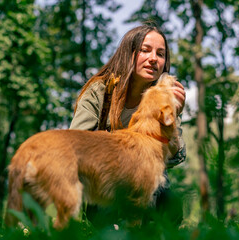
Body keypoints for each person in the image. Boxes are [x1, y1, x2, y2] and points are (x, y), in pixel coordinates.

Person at [70, 24, 186, 226]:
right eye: (145, 50)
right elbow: (74, 145)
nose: (153, 58)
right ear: (129, 53)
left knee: (173, 206)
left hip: (149, 183)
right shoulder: (100, 91)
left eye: (161, 54)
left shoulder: (163, 97)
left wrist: (173, 117)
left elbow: (175, 157)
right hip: (106, 182)